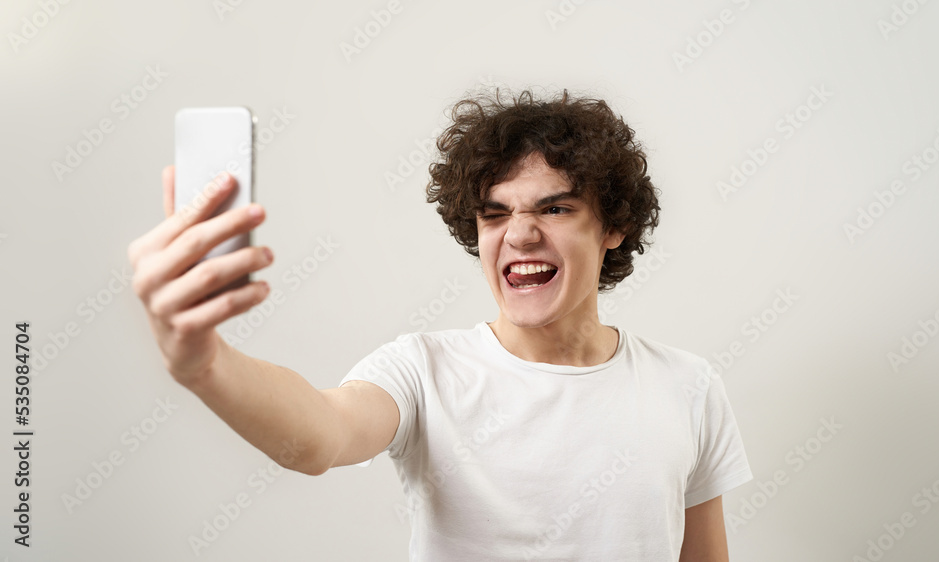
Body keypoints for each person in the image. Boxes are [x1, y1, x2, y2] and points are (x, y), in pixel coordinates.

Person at [127, 88, 753, 561]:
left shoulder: (688, 386)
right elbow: (318, 438)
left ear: (613, 226)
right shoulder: (422, 371)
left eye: (554, 208)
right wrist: (204, 365)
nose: (520, 234)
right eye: (494, 214)